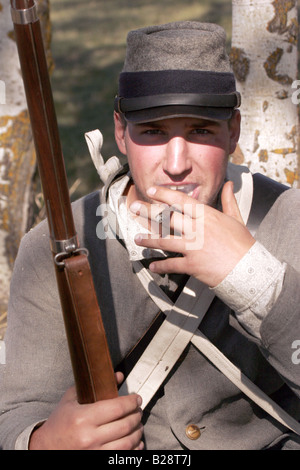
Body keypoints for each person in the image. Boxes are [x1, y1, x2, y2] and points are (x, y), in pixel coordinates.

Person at [0, 21, 300, 451]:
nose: (176, 164)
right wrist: (43, 442)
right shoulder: (58, 243)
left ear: (233, 131)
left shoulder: (290, 220)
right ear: (121, 132)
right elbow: (14, 412)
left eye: (200, 130)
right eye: (154, 132)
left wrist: (255, 279)